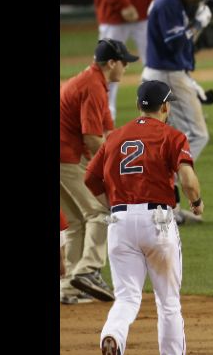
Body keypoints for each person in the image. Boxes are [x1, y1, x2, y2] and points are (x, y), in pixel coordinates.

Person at [85, 80, 203, 355]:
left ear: (139, 106)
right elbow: (187, 179)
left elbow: (90, 178)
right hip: (157, 223)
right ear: (165, 106)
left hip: (120, 224)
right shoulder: (172, 136)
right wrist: (196, 202)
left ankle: (112, 335)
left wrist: (111, 204)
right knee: (168, 302)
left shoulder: (114, 137)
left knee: (126, 297)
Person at [60, 39, 138, 305]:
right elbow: (92, 138)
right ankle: (88, 271)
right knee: (100, 212)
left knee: (75, 221)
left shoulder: (93, 82)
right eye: (124, 62)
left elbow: (106, 133)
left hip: (64, 156)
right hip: (66, 157)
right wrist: (111, 171)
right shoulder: (93, 87)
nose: (126, 67)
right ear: (112, 63)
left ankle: (70, 287)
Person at [142, 0, 213, 223]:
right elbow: (176, 44)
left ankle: (169, 209)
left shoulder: (171, 0)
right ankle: (166, 175)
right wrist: (198, 24)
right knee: (196, 135)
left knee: (166, 140)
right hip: (167, 74)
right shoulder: (168, 4)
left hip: (165, 73)